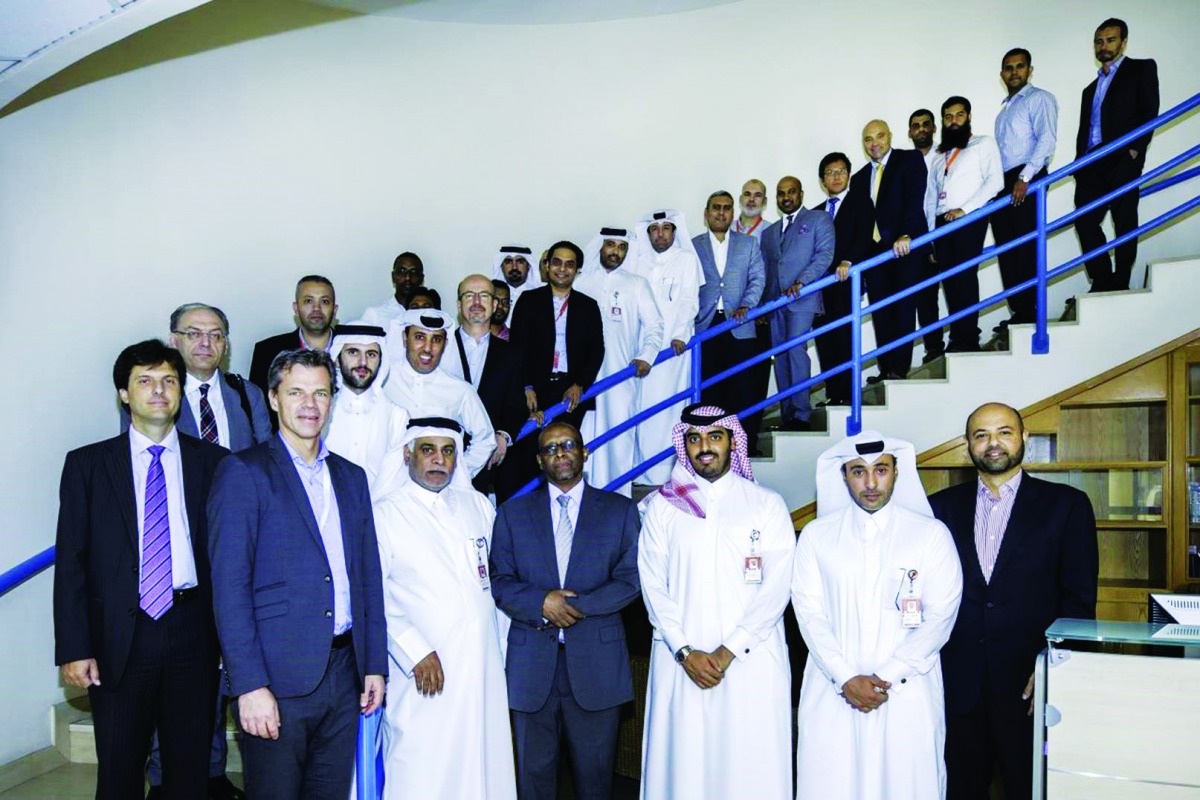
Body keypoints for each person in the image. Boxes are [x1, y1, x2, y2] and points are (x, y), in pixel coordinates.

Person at [208, 349, 387, 800]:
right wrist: (248, 685)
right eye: (296, 392)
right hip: (277, 678)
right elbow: (229, 590)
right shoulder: (243, 472)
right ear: (273, 399)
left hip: (345, 673)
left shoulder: (352, 477)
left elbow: (368, 578)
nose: (310, 404)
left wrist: (374, 665)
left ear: (332, 400)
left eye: (321, 392)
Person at [54, 339, 227, 800]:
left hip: (193, 630)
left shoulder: (216, 463)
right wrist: (74, 647)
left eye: (169, 381)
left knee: (190, 769)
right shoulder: (87, 465)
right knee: (118, 769)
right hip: (118, 638)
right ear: (124, 394)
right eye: (145, 381)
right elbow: (71, 562)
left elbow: (231, 560)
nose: (158, 391)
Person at [123, 305, 260, 799]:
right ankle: (168, 779)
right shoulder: (151, 405)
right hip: (172, 565)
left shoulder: (247, 397)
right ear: (174, 340)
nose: (206, 343)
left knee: (216, 678)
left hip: (232, 554)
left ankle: (210, 774)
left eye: (216, 334)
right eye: (194, 333)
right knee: (172, 686)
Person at [930, 402, 1098, 800]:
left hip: (1029, 684)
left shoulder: (1067, 505)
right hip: (958, 685)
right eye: (981, 435)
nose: (993, 444)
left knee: (1030, 788)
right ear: (967, 445)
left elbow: (1079, 600)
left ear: (1024, 438)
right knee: (959, 789)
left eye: (1004, 432)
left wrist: (1054, 665)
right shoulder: (939, 509)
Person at [793, 430, 963, 800]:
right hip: (833, 688)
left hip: (907, 692)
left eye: (880, 470)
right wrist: (845, 678)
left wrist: (885, 677)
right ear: (843, 476)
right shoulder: (816, 536)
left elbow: (941, 618)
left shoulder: (931, 535)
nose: (870, 483)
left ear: (897, 473)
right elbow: (809, 614)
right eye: (858, 472)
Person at [638, 405, 794, 799]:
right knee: (684, 768)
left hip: (750, 660)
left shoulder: (766, 503)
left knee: (748, 765)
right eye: (694, 439)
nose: (704, 447)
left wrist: (728, 650)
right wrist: (686, 651)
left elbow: (778, 587)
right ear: (684, 446)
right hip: (682, 661)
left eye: (714, 437)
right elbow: (653, 586)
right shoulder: (662, 507)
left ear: (732, 442)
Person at [491, 421, 641, 800]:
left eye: (569, 445)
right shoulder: (512, 514)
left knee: (595, 782)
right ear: (540, 460)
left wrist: (568, 606)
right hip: (531, 670)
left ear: (584, 452)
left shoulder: (619, 512)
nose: (560, 453)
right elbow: (500, 580)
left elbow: (631, 580)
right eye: (551, 448)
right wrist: (542, 603)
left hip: (597, 666)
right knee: (533, 782)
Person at [372, 417, 517, 799]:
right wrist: (414, 649)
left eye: (448, 450)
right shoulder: (385, 514)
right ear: (407, 455)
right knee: (422, 765)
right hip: (423, 670)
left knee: (484, 762)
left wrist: (500, 648)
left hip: (483, 667)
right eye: (428, 450)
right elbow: (373, 595)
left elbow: (496, 583)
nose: (439, 460)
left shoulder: (479, 507)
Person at [1073, 17, 1160, 293]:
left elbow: (1150, 110)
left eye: (1111, 40)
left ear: (1123, 42)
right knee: (1084, 220)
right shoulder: (1089, 89)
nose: (1104, 46)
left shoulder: (1141, 68)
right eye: (1099, 41)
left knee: (1124, 219)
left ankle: (1120, 279)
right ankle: (1102, 279)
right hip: (1092, 162)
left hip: (1123, 156)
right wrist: (1079, 165)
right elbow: (1084, 129)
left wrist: (1136, 149)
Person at [576, 227, 664, 496]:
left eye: (621, 247)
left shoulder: (636, 284)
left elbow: (655, 326)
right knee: (583, 434)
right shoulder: (581, 282)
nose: (615, 251)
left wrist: (645, 356)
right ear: (600, 247)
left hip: (619, 376)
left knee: (617, 438)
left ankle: (617, 499)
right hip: (580, 377)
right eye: (610, 245)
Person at [923, 96, 1003, 353]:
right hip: (941, 221)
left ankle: (968, 338)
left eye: (959, 115)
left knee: (965, 278)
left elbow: (995, 182)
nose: (953, 121)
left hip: (969, 218)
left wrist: (964, 210)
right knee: (950, 281)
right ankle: (957, 338)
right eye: (948, 117)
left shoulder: (983, 144)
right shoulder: (938, 156)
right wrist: (931, 237)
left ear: (968, 117)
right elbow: (930, 198)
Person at [990, 49, 1059, 346]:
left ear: (1030, 70)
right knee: (1007, 249)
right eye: (1008, 68)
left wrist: (1025, 177)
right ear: (1002, 74)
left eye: (1020, 67)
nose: (1014, 72)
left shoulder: (1039, 99)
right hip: (1004, 183)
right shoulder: (1003, 110)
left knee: (1026, 245)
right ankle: (1019, 310)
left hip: (1025, 179)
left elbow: (1047, 140)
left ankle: (1030, 310)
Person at [851, 120, 929, 382]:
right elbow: (861, 220)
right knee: (880, 311)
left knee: (904, 308)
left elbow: (914, 200)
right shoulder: (859, 178)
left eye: (879, 136)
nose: (874, 143)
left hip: (903, 247)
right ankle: (885, 369)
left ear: (890, 136)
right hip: (875, 255)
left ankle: (899, 368)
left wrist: (906, 234)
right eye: (868, 139)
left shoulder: (910, 160)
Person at [632, 210, 705, 483]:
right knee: (640, 409)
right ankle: (641, 471)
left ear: (675, 232)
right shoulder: (638, 262)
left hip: (673, 348)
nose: (660, 233)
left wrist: (680, 335)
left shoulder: (686, 259)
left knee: (667, 407)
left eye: (666, 228)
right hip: (642, 350)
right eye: (655, 229)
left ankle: (665, 472)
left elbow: (689, 300)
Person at [382, 307, 498, 478]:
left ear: (445, 344)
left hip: (438, 490)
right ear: (405, 338)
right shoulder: (382, 381)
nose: (428, 348)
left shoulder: (460, 389)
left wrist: (457, 474)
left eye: (436, 339)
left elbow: (486, 439)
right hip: (387, 485)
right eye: (420, 337)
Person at [760, 175, 835, 430]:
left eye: (791, 192)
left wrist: (802, 282)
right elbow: (767, 269)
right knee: (780, 357)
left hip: (803, 298)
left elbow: (824, 255)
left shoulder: (818, 219)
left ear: (801, 194)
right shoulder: (769, 233)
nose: (786, 197)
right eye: (781, 193)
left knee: (795, 351)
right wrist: (762, 304)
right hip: (775, 304)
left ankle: (802, 414)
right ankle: (787, 415)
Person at [443, 274, 527, 501]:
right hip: (444, 453)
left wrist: (503, 435)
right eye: (469, 296)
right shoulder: (441, 347)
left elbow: (517, 405)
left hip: (492, 456)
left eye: (484, 296)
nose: (477, 302)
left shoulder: (512, 354)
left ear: (495, 304)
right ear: (459, 305)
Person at [509, 240, 605, 433]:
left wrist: (580, 384)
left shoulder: (588, 306)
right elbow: (517, 348)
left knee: (566, 449)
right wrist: (526, 387)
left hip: (571, 392)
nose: (562, 269)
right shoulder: (528, 301)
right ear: (547, 265)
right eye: (556, 262)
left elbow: (596, 350)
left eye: (569, 264)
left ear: (577, 270)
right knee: (532, 451)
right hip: (534, 392)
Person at [693, 191, 766, 433]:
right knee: (708, 389)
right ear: (706, 214)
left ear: (732, 213)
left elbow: (757, 278)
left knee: (742, 388)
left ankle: (743, 444)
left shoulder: (748, 243)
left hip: (739, 324)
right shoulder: (692, 247)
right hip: (705, 326)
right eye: (716, 207)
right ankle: (711, 442)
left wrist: (747, 304)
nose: (721, 212)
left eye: (726, 208)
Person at [813, 154, 874, 406]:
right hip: (820, 288)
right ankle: (833, 393)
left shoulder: (861, 202)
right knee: (824, 340)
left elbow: (863, 237)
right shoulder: (815, 213)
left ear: (848, 175)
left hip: (846, 281)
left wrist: (849, 260)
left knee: (844, 338)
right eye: (830, 172)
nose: (836, 177)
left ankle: (848, 394)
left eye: (840, 171)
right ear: (822, 179)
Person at [324, 322, 410, 495]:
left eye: (371, 354)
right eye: (353, 352)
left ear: (381, 361)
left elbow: (395, 480)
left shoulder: (397, 416)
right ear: (337, 360)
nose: (363, 362)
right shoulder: (320, 411)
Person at [249, 275, 338, 399]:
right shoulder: (267, 352)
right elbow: (258, 411)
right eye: (308, 301)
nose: (316, 308)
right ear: (296, 308)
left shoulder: (354, 350)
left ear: (334, 310)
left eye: (324, 301)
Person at [734, 179, 774, 447]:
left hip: (760, 318)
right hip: (725, 322)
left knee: (755, 380)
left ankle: (750, 436)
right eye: (747, 194)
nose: (751, 199)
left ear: (765, 201)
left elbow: (774, 275)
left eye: (757, 195)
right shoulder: (726, 229)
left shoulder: (771, 233)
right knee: (727, 382)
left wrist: (763, 306)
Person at [908, 110, 947, 362]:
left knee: (946, 291)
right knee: (917, 298)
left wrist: (934, 238)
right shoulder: (903, 162)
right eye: (915, 126)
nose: (921, 129)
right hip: (911, 240)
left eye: (925, 125)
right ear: (909, 132)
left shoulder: (945, 157)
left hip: (940, 234)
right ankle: (899, 360)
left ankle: (937, 347)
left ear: (934, 128)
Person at [360, 252, 426, 330]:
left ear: (421, 278)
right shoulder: (375, 314)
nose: (408, 277)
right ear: (393, 277)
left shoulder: (430, 313)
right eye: (402, 271)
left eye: (414, 272)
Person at [494, 245, 545, 325]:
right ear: (501, 267)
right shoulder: (490, 295)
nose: (514, 267)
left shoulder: (540, 297)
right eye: (508, 262)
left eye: (520, 262)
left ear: (528, 266)